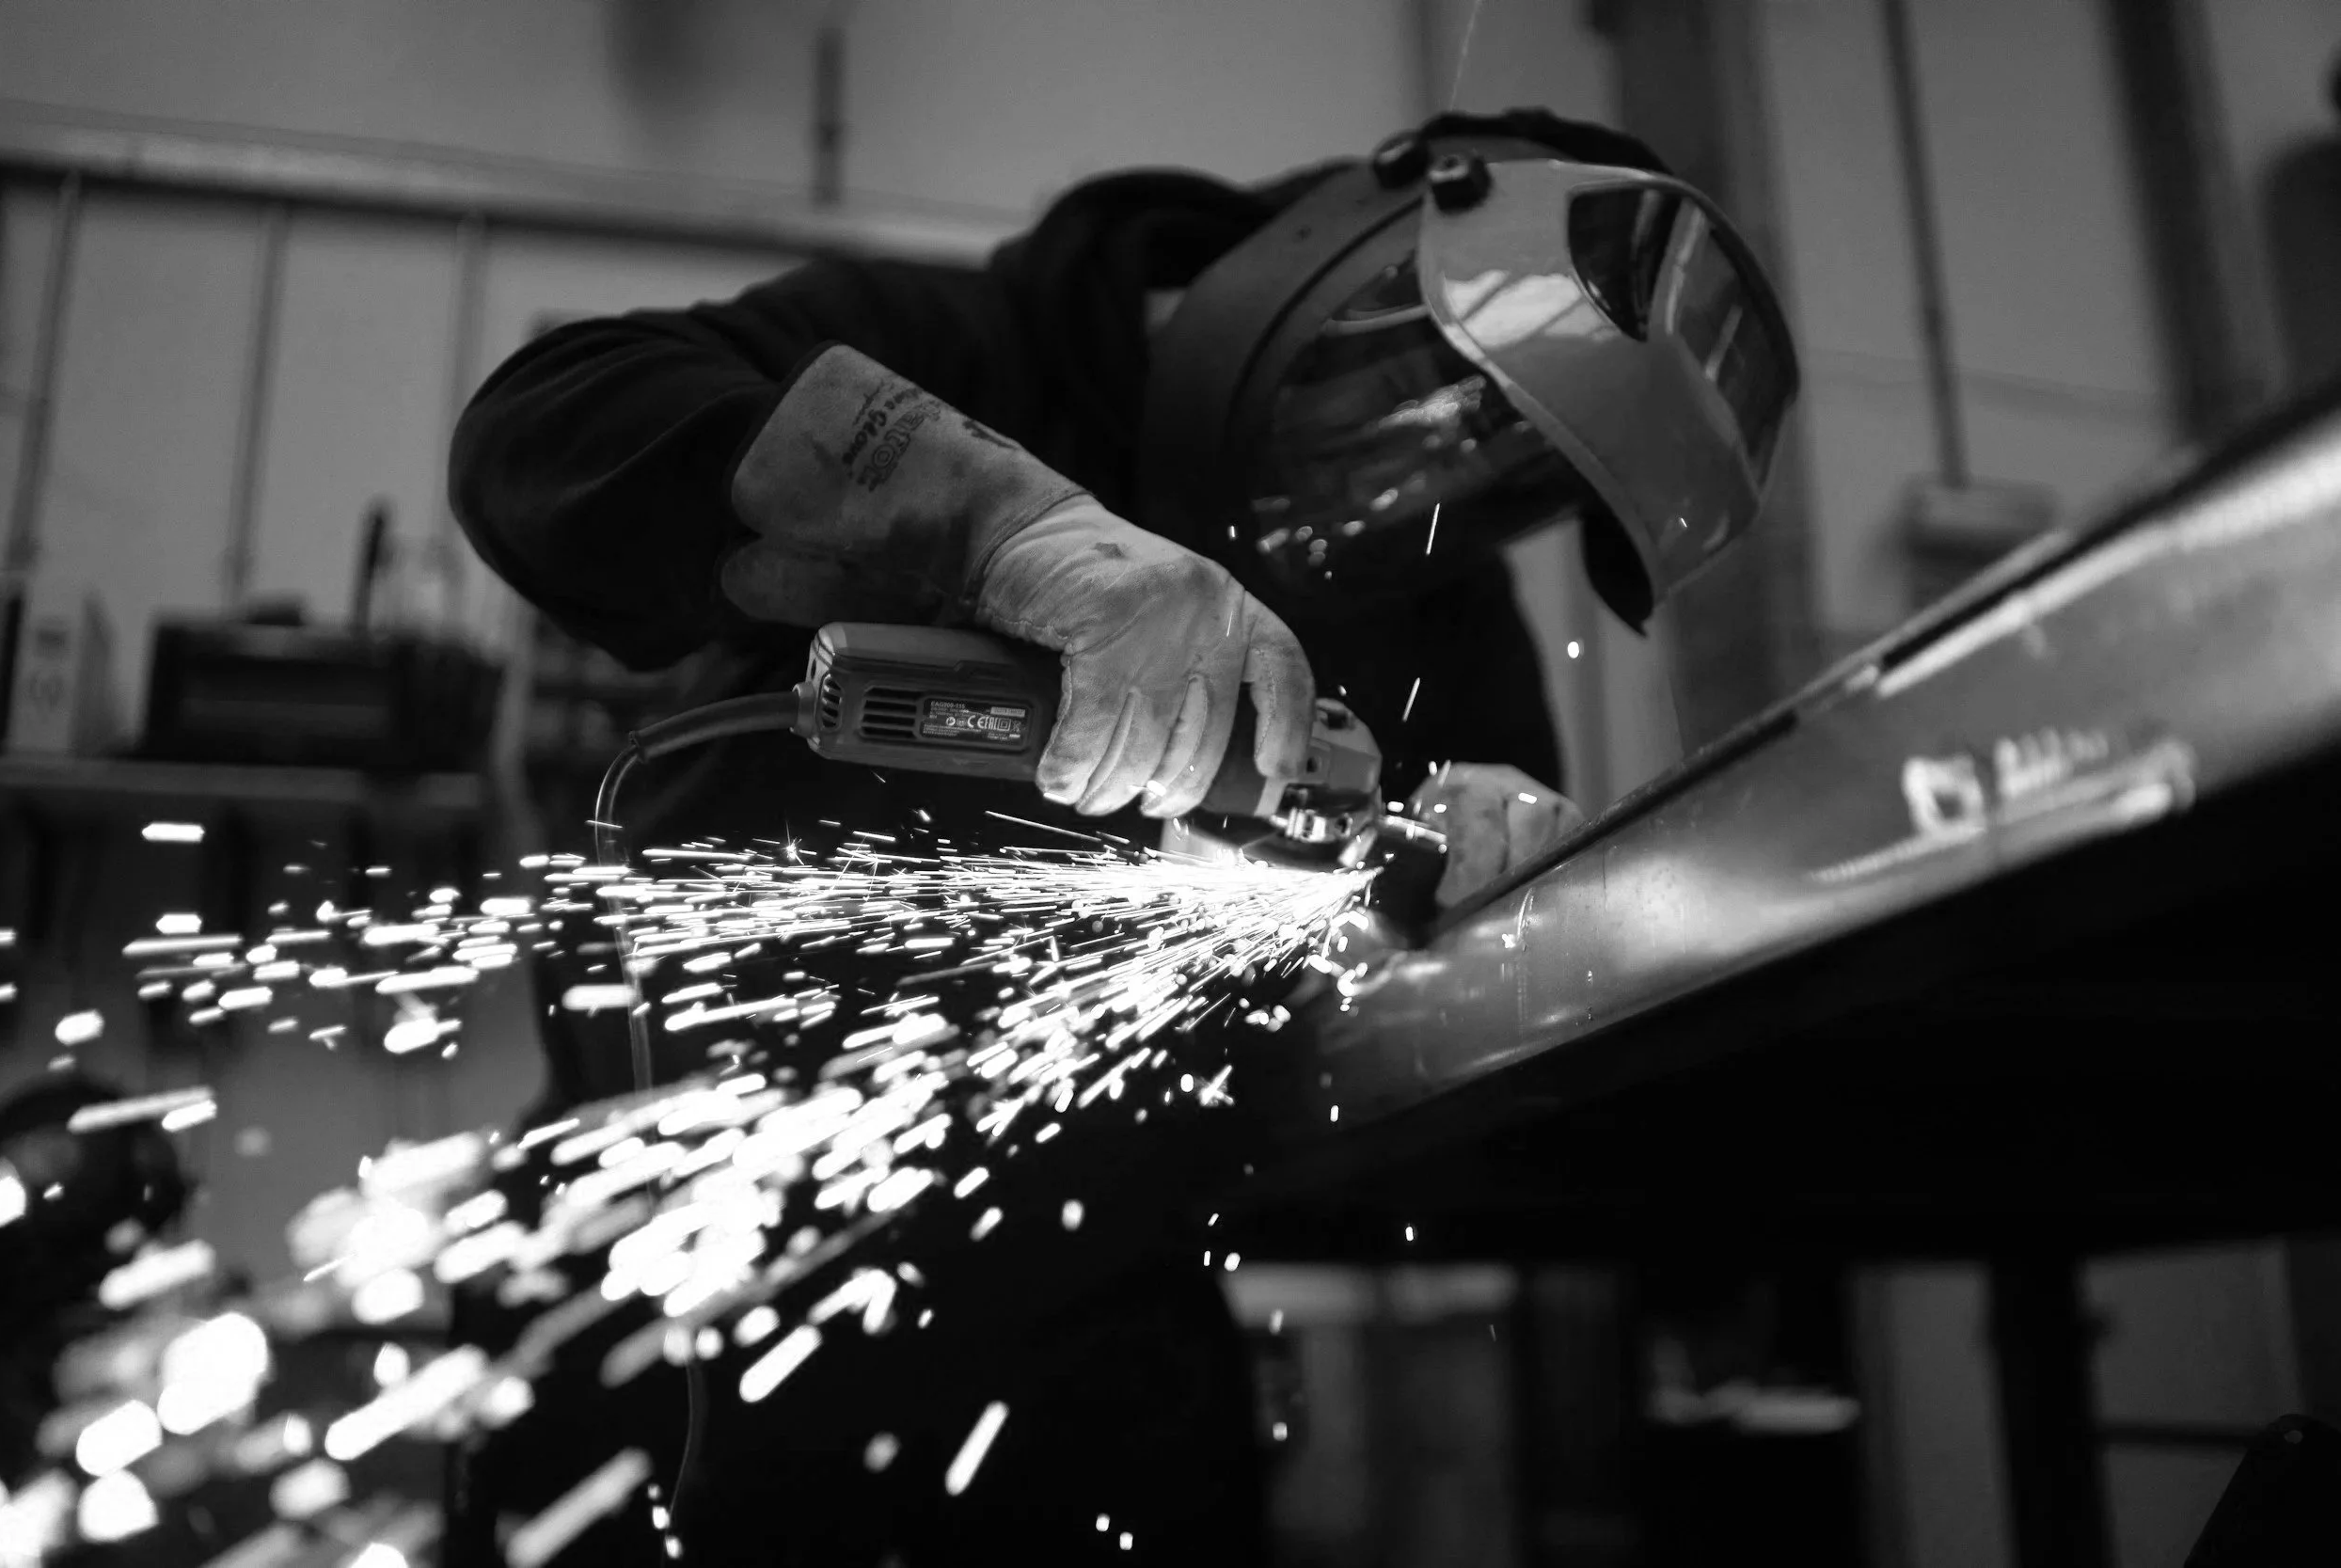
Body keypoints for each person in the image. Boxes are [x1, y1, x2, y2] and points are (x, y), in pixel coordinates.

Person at [447, 106, 1797, 1565]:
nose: (1432, 484)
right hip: (667, 1253)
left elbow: (1458, 983)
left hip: (1086, 1312)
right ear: (1340, 251)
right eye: (1444, 403)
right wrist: (1002, 528)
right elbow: (546, 423)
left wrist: (1482, 891)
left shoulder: (1430, 592)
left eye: (1514, 482)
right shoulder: (974, 347)